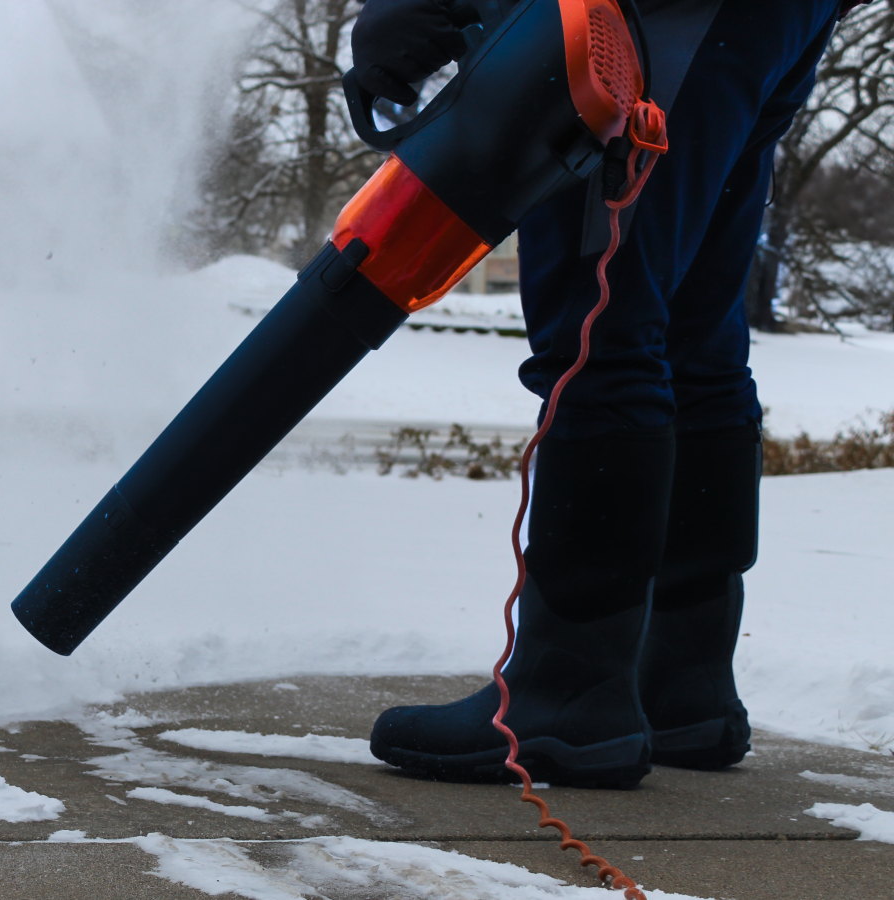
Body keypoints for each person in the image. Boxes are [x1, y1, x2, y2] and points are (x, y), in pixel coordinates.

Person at [351, 0, 865, 787]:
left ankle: (571, 691)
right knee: (692, 332)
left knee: (600, 318)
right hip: (773, 17)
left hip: (656, 15)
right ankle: (680, 681)